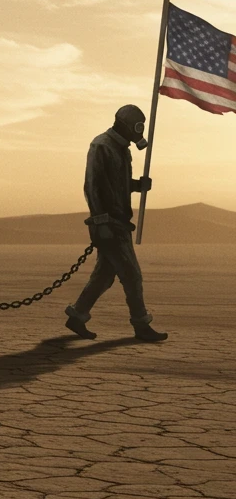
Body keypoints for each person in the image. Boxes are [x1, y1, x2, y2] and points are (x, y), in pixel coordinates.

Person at [63, 105, 167, 342]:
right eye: (138, 126)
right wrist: (100, 222)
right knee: (132, 275)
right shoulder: (102, 146)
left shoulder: (122, 149)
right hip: (108, 224)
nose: (139, 132)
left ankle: (77, 316)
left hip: (119, 222)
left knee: (104, 276)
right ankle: (141, 325)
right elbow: (92, 186)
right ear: (125, 124)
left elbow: (116, 182)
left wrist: (136, 186)